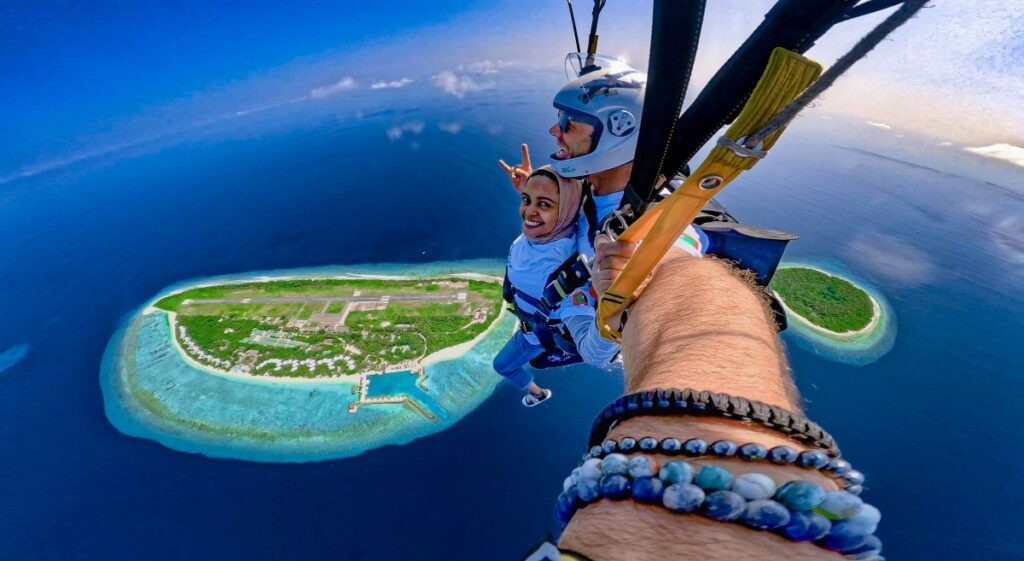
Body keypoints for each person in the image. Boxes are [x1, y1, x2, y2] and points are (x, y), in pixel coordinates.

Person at [493, 166, 620, 407]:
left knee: (502, 366)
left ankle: (538, 394)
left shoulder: (569, 273)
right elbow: (562, 205)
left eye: (544, 204)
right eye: (526, 200)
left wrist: (614, 304)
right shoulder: (548, 231)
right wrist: (531, 187)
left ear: (566, 210)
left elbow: (595, 354)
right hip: (531, 321)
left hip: (535, 336)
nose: (529, 211)